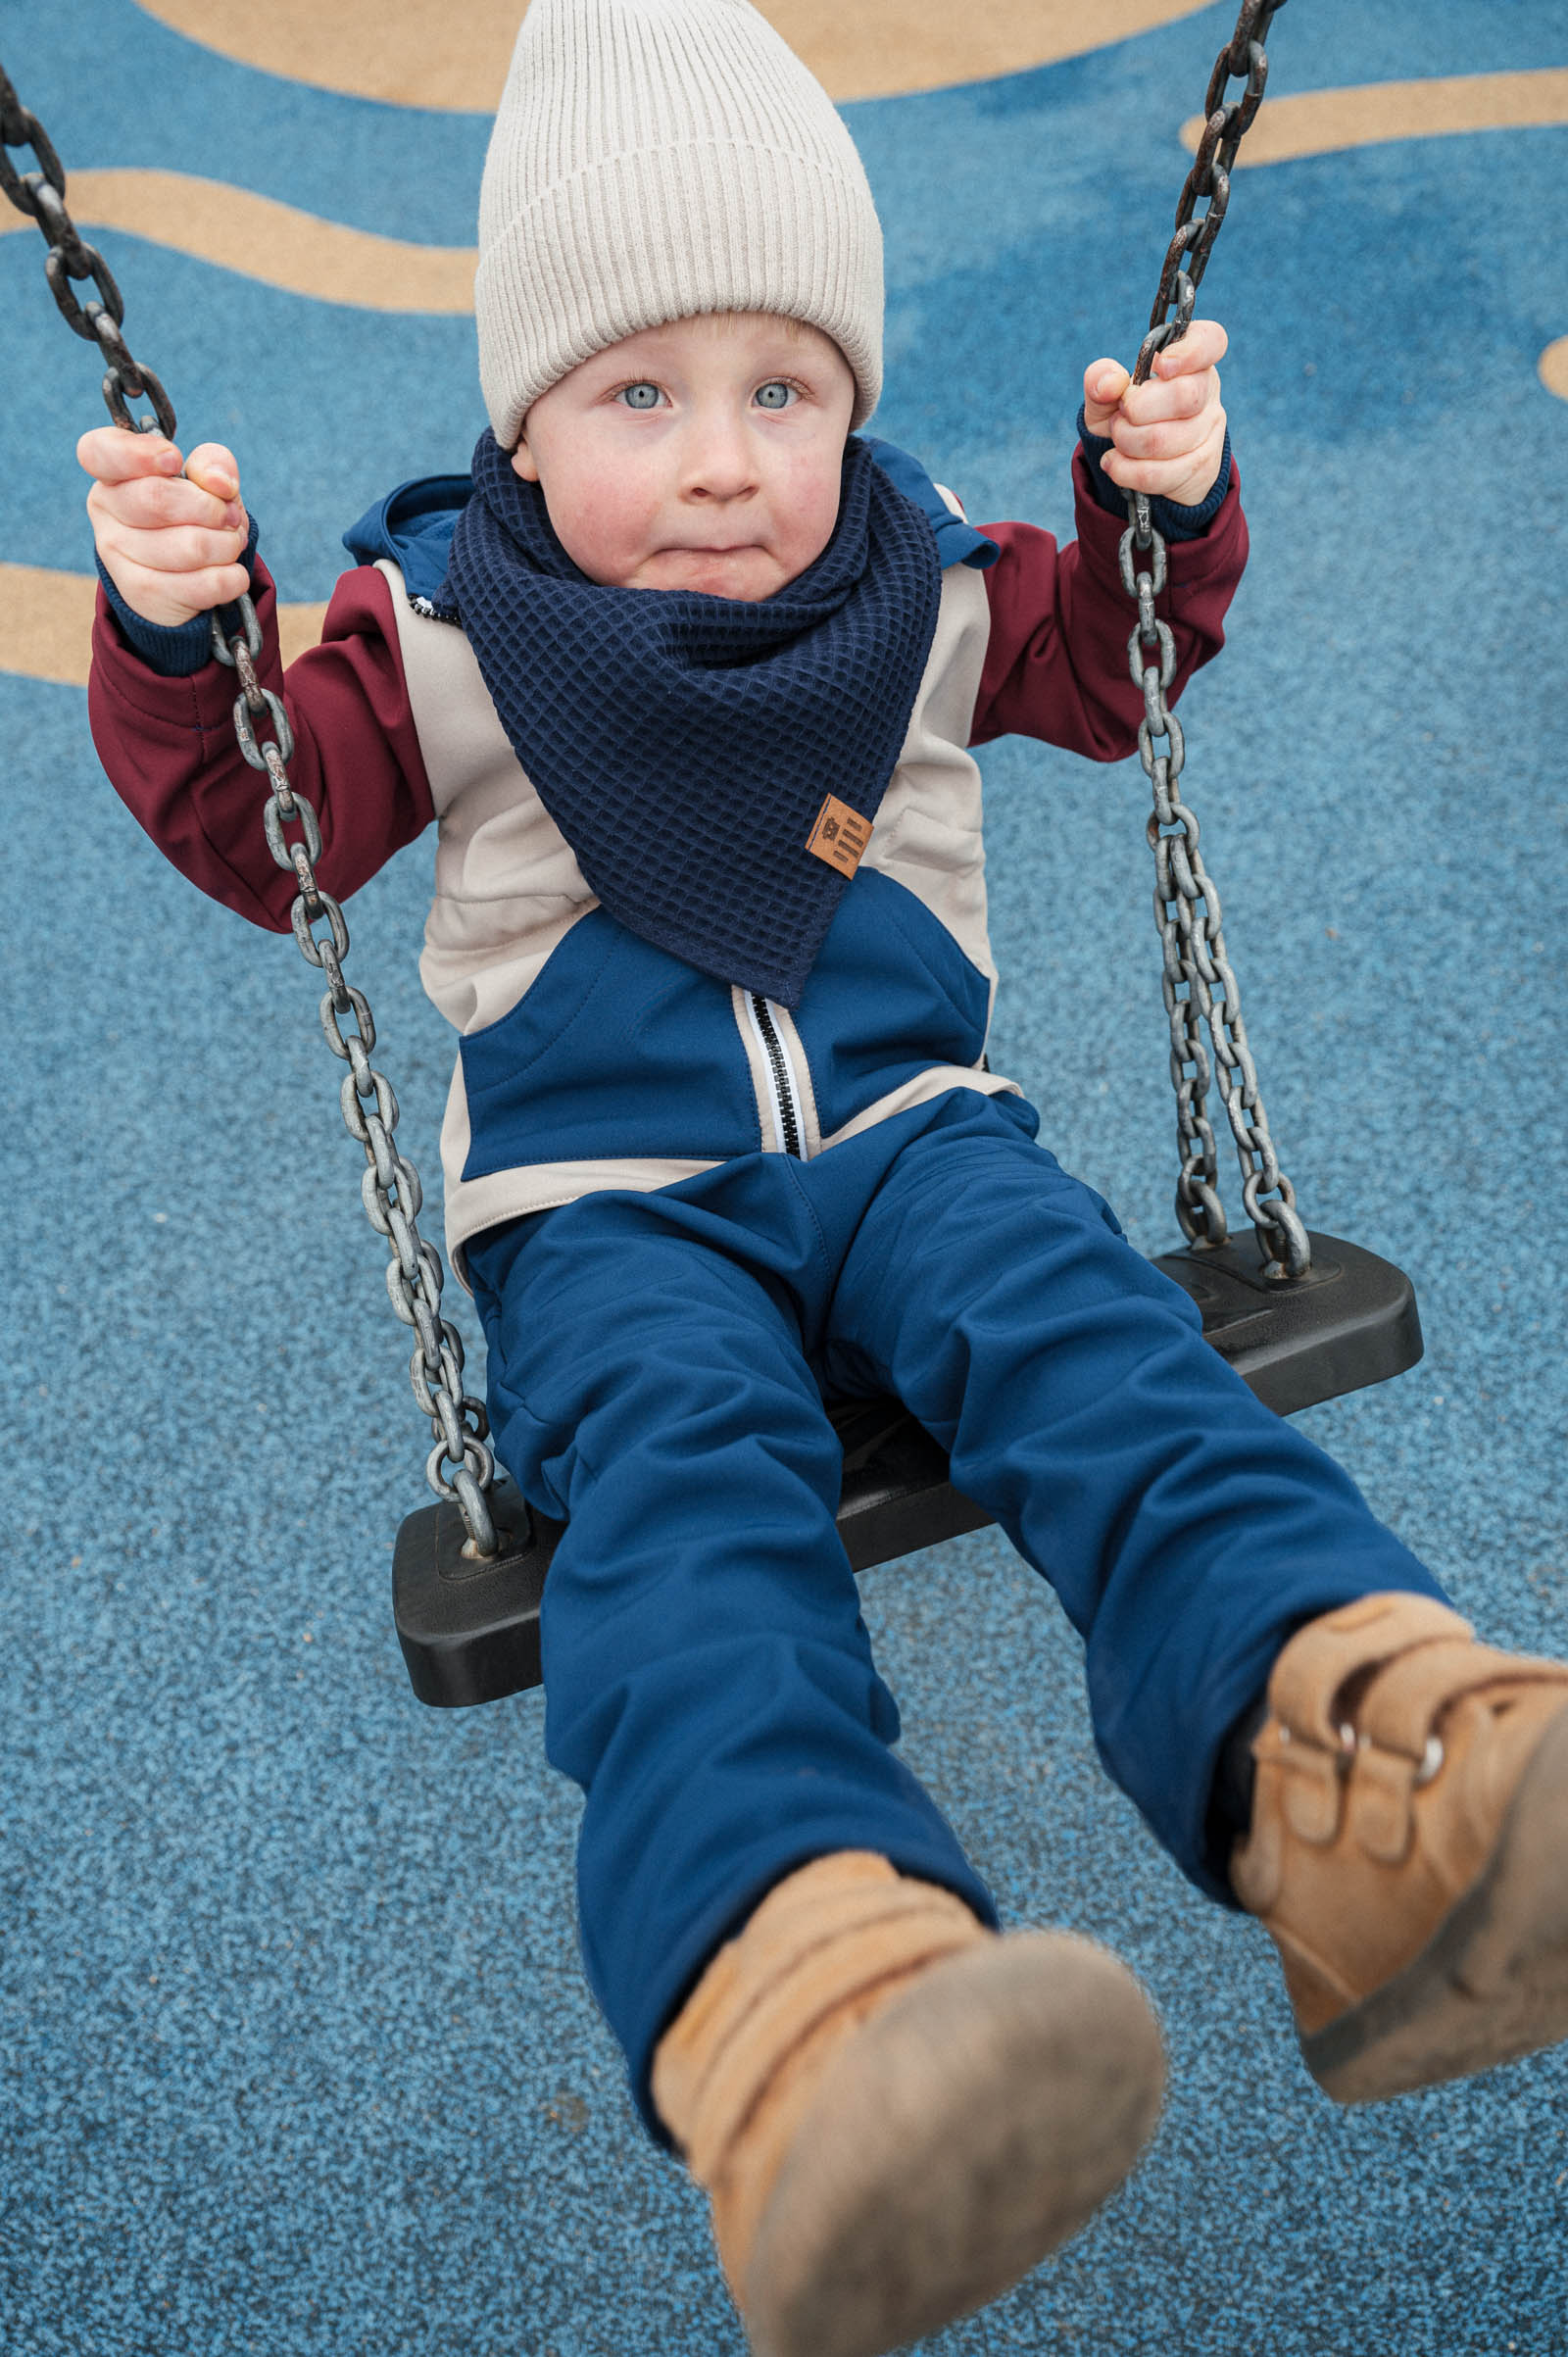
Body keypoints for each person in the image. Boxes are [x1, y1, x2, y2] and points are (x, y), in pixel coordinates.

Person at [77, 4, 1568, 2352]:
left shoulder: (923, 585)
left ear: (851, 400)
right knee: (682, 1509)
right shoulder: (442, 634)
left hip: (908, 1139)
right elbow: (269, 823)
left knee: (1114, 1362)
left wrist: (1153, 499)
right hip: (603, 1212)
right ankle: (807, 1997)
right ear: (523, 417)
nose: (717, 464)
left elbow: (1113, 657)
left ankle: (1363, 1775)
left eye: (782, 389)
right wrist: (184, 637)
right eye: (637, 396)